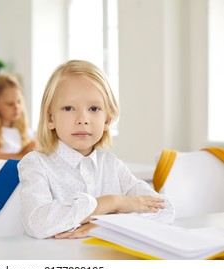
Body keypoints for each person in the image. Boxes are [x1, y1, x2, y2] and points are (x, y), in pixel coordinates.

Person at [17, 60, 175, 239]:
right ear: (51, 118)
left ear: (107, 120)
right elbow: (38, 223)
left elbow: (164, 209)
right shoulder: (35, 164)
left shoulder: (111, 165)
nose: (83, 119)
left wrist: (105, 226)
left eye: (94, 108)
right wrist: (111, 203)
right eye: (69, 108)